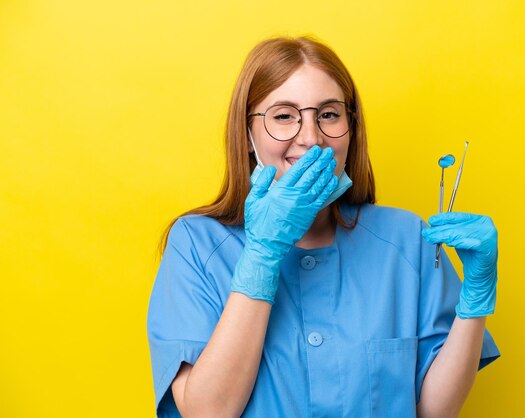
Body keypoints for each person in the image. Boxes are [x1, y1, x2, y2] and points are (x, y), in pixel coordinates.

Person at [147, 36, 501, 418]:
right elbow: (208, 412)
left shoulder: (407, 240)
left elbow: (434, 410)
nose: (311, 138)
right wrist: (263, 254)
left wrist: (474, 303)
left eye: (329, 115)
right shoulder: (196, 245)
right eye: (283, 116)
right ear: (247, 136)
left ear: (351, 127)